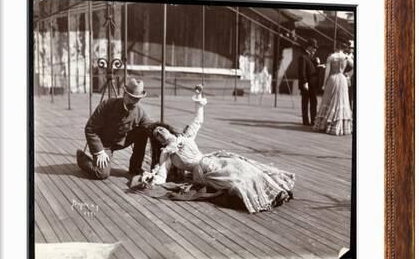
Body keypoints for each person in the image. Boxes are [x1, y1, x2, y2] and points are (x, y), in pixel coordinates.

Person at [141, 88, 295, 214]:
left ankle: (277, 190)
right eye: (157, 134)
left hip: (211, 160)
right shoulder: (167, 154)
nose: (160, 133)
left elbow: (198, 120)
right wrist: (150, 180)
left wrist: (199, 99)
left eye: (161, 129)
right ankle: (264, 198)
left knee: (243, 167)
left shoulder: (185, 136)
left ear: (167, 130)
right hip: (202, 172)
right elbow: (161, 174)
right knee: (235, 180)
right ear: (159, 140)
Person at [76, 77, 153, 180]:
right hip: (104, 143)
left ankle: (135, 167)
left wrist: (164, 132)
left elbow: (150, 125)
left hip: (122, 140)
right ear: (124, 94)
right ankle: (81, 158)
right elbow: (90, 129)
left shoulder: (139, 111)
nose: (134, 102)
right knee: (101, 173)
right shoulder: (107, 105)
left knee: (144, 131)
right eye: (131, 97)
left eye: (137, 99)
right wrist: (99, 151)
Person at [312, 49, 354, 135]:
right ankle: (339, 125)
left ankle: (325, 124)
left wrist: (324, 83)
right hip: (342, 79)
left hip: (333, 79)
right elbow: (354, 66)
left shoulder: (331, 57)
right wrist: (348, 75)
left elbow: (327, 72)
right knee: (341, 101)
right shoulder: (346, 57)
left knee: (328, 100)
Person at [298, 38, 323, 126]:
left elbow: (313, 70)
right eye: (313, 48)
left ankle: (313, 120)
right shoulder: (303, 57)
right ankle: (305, 120)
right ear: (308, 47)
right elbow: (302, 71)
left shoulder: (312, 58)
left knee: (314, 102)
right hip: (307, 84)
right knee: (305, 102)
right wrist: (304, 82)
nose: (315, 50)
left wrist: (318, 65)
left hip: (313, 84)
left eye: (315, 48)